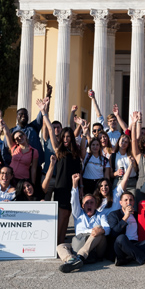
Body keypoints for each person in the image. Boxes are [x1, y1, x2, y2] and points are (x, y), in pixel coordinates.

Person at [40, 103, 82, 244]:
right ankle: (55, 243)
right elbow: (51, 131)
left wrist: (80, 189)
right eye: (63, 137)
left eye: (68, 136)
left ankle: (61, 241)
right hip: (62, 187)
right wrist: (44, 113)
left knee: (67, 214)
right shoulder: (59, 150)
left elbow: (79, 170)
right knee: (62, 215)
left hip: (74, 187)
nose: (65, 139)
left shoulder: (76, 153)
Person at [57, 173, 111, 273]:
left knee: (99, 229)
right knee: (60, 246)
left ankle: (80, 257)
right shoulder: (78, 214)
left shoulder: (101, 215)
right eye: (87, 203)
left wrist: (99, 230)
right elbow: (74, 200)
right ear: (82, 206)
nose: (89, 204)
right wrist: (75, 184)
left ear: (96, 205)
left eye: (92, 202)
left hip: (96, 247)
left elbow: (107, 228)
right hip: (79, 242)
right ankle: (71, 260)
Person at [5, 118, 39, 184]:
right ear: (16, 142)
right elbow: (7, 133)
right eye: (17, 138)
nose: (20, 138)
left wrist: (33, 183)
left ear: (25, 136)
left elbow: (33, 169)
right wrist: (1, 119)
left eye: (21, 136)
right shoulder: (14, 148)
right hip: (11, 178)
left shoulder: (34, 151)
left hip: (23, 180)